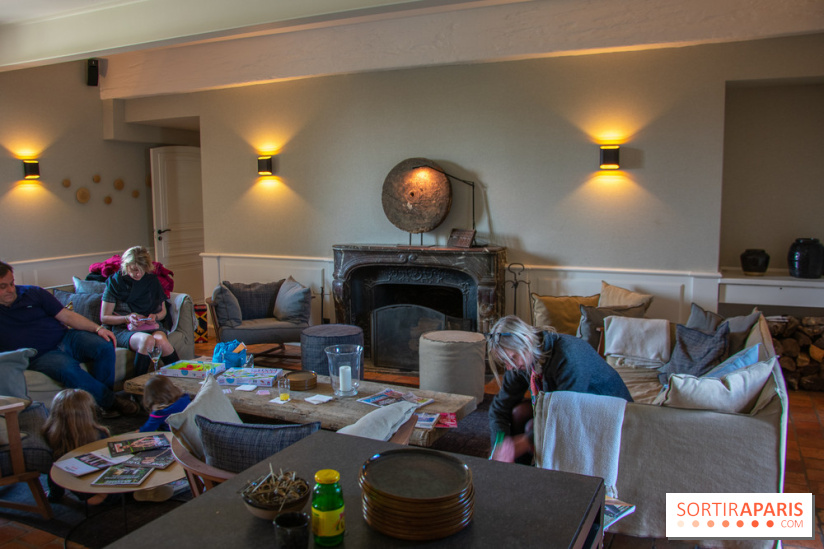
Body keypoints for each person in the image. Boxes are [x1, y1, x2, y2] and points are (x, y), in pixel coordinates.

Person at [487, 315, 633, 463]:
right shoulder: (521, 362)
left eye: (512, 358)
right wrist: (500, 445)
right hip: (568, 406)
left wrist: (525, 441)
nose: (509, 367)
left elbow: (565, 415)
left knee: (533, 427)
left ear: (528, 341)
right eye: (504, 361)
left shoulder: (569, 356)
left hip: (611, 414)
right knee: (520, 413)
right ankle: (517, 471)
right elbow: (499, 409)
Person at [0, 261, 137, 416]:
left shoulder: (33, 293)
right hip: (40, 354)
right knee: (68, 368)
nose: (11, 290)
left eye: (12, 283)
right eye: (3, 286)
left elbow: (66, 315)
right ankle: (110, 402)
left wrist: (97, 328)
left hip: (66, 338)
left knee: (104, 346)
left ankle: (101, 406)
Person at [100, 246, 180, 377]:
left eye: (141, 270)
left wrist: (155, 316)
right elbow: (104, 317)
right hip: (124, 329)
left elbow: (163, 312)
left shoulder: (152, 281)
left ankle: (182, 382)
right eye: (134, 270)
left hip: (150, 325)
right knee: (147, 340)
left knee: (161, 342)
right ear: (126, 266)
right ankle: (136, 388)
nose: (138, 274)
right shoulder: (115, 284)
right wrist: (127, 318)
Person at [42, 389, 115, 504]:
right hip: (103, 487)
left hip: (82, 490)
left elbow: (53, 473)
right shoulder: (99, 433)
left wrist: (54, 495)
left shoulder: (50, 434)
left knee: (57, 467)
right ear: (89, 412)